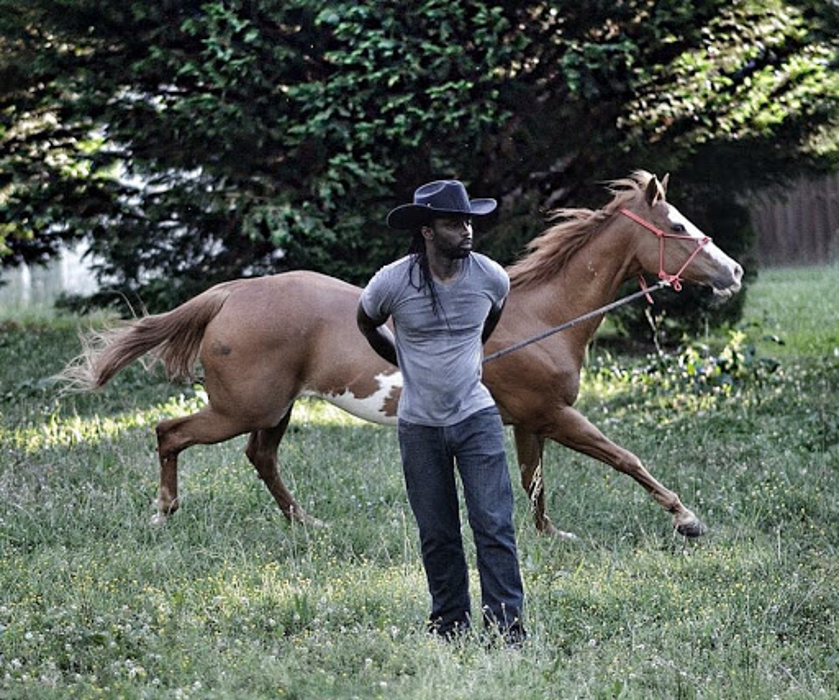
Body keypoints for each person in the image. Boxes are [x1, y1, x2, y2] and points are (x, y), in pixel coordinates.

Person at [357, 180, 526, 645]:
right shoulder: (393, 281)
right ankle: (450, 625)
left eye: (469, 221)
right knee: (437, 533)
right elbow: (365, 321)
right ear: (428, 231)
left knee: (493, 525)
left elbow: (487, 322)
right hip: (419, 426)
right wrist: (401, 358)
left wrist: (464, 355)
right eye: (454, 223)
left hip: (476, 419)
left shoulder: (492, 277)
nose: (466, 230)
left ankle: (507, 629)